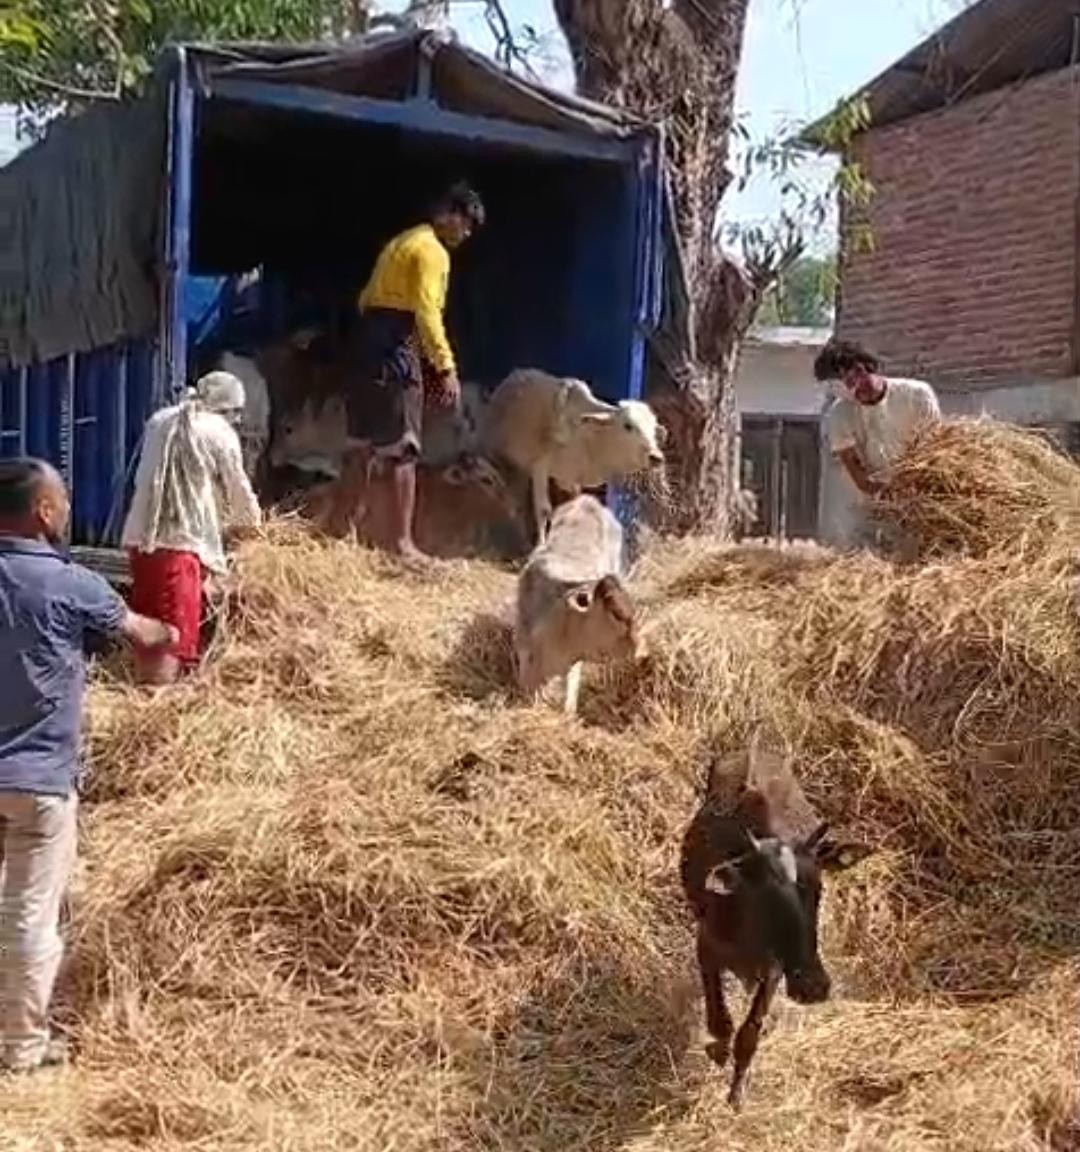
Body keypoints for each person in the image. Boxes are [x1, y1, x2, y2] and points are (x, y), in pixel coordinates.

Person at [0, 458, 176, 1072]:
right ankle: (21, 1046)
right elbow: (142, 635)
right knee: (30, 915)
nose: (69, 510)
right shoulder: (73, 584)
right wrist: (171, 632)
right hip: (38, 781)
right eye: (64, 501)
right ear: (43, 511)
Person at [331, 181, 486, 561]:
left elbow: (365, 299)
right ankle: (402, 544)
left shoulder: (403, 242)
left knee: (361, 444)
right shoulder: (432, 252)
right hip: (394, 346)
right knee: (404, 447)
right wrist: (445, 367)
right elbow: (427, 313)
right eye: (465, 223)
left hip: (365, 344)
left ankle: (338, 528)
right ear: (448, 214)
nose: (466, 234)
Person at [122, 370, 262, 684]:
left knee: (148, 629)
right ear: (225, 408)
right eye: (236, 412)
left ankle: (144, 691)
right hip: (181, 546)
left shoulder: (158, 421)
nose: (238, 421)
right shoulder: (219, 432)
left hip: (140, 541)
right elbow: (238, 489)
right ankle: (162, 701)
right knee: (175, 637)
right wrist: (252, 527)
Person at [814, 340, 941, 551]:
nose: (855, 393)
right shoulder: (840, 414)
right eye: (844, 389)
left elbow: (933, 450)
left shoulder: (917, 395)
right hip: (873, 508)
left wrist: (912, 490)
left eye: (852, 381)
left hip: (923, 498)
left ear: (863, 369)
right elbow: (857, 474)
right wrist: (885, 494)